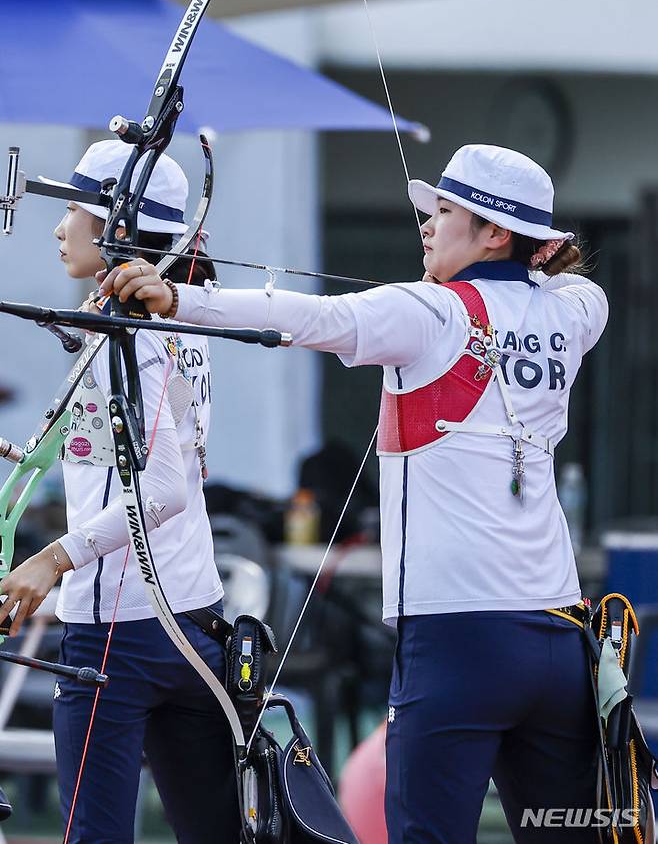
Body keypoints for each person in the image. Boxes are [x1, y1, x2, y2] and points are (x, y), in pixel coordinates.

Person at [100, 143, 609, 843]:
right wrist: (523, 264)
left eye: (447, 211)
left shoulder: (431, 312)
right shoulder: (577, 313)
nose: (426, 225)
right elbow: (574, 286)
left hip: (459, 640)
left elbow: (309, 315)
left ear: (494, 232)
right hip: (559, 635)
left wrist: (179, 297)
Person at [0, 141, 239, 844]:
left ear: (116, 227)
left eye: (72, 208)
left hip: (117, 632)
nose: (57, 224)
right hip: (194, 619)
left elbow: (163, 485)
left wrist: (53, 558)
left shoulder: (125, 332)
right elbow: (137, 456)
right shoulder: (181, 316)